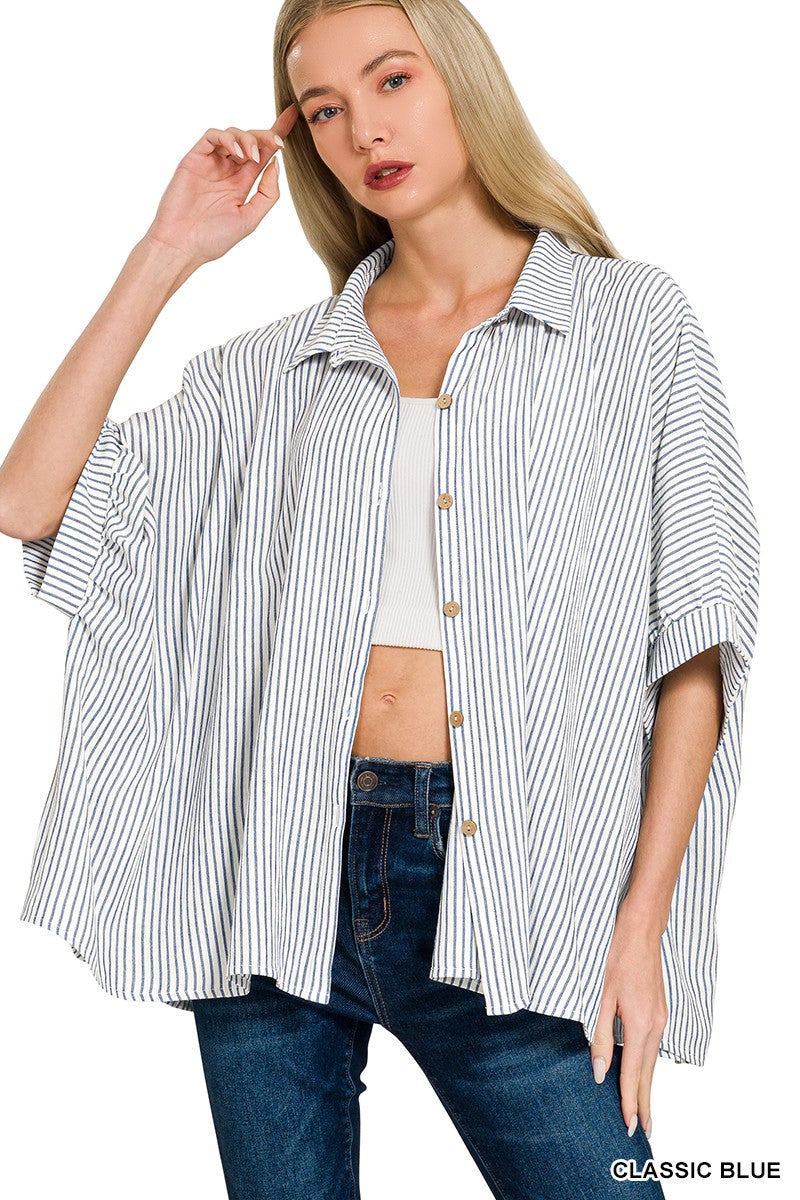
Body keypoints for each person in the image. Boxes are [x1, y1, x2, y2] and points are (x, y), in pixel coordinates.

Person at [0, 1, 760, 1197]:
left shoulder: (629, 326)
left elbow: (695, 642)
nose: (363, 129)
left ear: (461, 77)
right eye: (323, 109)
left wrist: (640, 923)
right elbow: (31, 500)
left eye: (391, 80)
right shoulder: (271, 371)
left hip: (514, 886)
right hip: (275, 869)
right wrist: (168, 250)